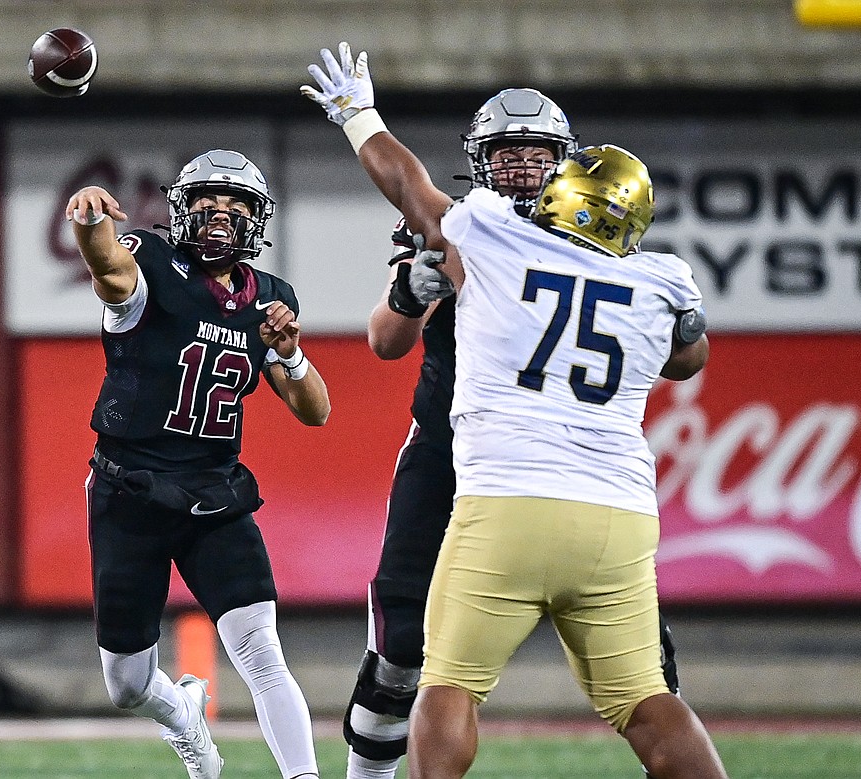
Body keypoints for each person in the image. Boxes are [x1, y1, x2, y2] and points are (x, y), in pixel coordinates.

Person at [304, 44, 725, 779]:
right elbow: (386, 337)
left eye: (538, 154)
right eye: (509, 152)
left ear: (566, 164)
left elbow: (409, 185)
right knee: (406, 643)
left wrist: (358, 116)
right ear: (482, 158)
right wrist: (411, 292)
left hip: (508, 476)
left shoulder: (481, 232)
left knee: (451, 676)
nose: (524, 168)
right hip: (535, 472)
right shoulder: (657, 275)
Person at [64, 149, 328, 779]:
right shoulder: (152, 262)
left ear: (257, 219)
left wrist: (288, 355)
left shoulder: (271, 297)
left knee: (262, 653)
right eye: (206, 202)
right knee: (126, 684)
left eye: (234, 205)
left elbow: (314, 411)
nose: (219, 214)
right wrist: (88, 221)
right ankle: (183, 716)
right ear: (181, 209)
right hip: (131, 490)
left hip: (214, 492)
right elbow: (110, 268)